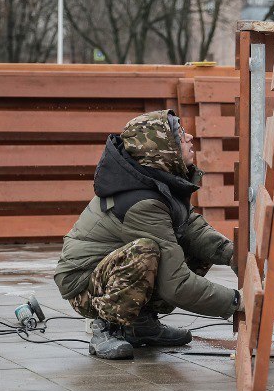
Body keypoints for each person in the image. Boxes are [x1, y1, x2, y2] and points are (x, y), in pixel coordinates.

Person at [55, 110, 242, 359]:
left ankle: (140, 326)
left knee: (195, 247)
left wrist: (236, 256)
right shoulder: (141, 200)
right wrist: (238, 301)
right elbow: (175, 284)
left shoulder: (159, 180)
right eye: (179, 135)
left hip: (104, 274)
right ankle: (107, 327)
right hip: (84, 287)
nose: (190, 138)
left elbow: (192, 228)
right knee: (145, 252)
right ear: (161, 149)